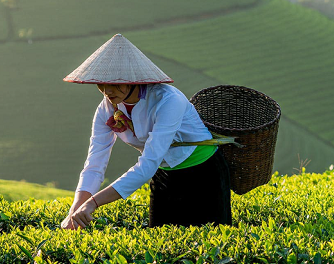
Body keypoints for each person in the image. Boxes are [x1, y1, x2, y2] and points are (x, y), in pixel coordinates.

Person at [60, 34, 232, 230]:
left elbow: (148, 163)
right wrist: (75, 210)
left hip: (202, 174)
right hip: (164, 174)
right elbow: (94, 163)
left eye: (115, 83)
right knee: (161, 246)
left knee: (209, 246)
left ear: (134, 80)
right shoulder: (105, 109)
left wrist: (93, 203)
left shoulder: (168, 101)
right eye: (101, 83)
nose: (107, 90)